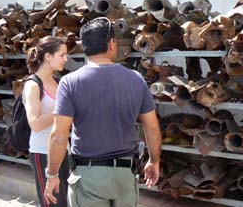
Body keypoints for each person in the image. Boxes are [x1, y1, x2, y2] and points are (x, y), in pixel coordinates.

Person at [44, 17, 162, 207]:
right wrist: (154, 161)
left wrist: (52, 174)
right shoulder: (135, 79)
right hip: (125, 174)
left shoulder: (70, 83)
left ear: (85, 47)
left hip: (89, 175)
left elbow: (59, 136)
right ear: (112, 44)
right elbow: (152, 126)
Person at [23, 36, 70, 207]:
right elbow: (34, 123)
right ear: (48, 56)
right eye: (62, 55)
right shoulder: (32, 85)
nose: (66, 59)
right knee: (52, 203)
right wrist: (64, 109)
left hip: (63, 149)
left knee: (65, 202)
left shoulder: (58, 82)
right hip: (42, 152)